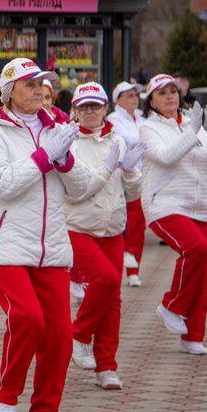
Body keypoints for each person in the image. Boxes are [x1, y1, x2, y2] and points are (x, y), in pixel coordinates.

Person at [0, 58, 92, 412]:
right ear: (9, 93)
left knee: (59, 333)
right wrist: (44, 157)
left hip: (51, 246)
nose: (39, 91)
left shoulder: (57, 127)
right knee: (28, 318)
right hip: (4, 244)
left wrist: (66, 159)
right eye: (29, 85)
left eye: (42, 84)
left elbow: (81, 190)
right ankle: (6, 394)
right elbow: (3, 184)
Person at [138, 73, 207, 354]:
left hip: (201, 205)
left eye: (173, 91)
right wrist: (193, 132)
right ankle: (171, 304)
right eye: (162, 93)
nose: (169, 96)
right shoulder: (148, 128)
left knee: (202, 271)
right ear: (152, 101)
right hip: (165, 204)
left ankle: (192, 336)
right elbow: (167, 157)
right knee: (196, 249)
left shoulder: (190, 123)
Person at [65, 83, 145, 390]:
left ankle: (106, 366)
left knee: (113, 298)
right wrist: (108, 168)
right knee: (107, 279)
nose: (89, 113)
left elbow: (133, 191)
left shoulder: (119, 140)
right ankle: (79, 334)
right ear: (74, 110)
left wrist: (131, 171)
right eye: (83, 107)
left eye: (94, 106)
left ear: (105, 109)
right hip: (79, 226)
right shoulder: (69, 142)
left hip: (112, 227)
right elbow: (76, 193)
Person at [110, 81, 145, 287]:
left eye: (135, 95)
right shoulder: (113, 120)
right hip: (121, 177)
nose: (134, 99)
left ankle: (134, 271)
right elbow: (125, 143)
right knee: (120, 224)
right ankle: (115, 268)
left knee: (137, 226)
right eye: (129, 95)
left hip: (142, 178)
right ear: (118, 100)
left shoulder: (142, 117)